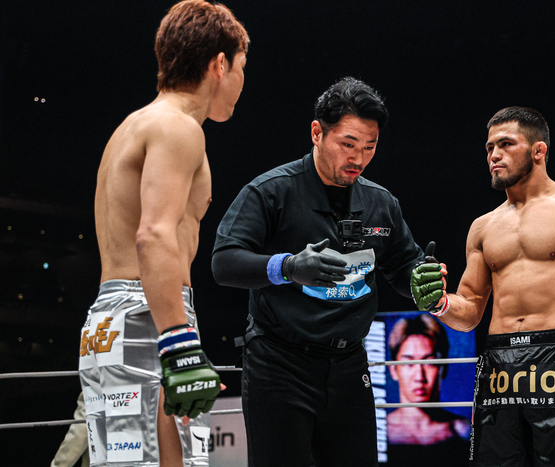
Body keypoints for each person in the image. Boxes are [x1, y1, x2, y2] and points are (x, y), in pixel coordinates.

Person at [211, 76, 426, 467]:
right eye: (348, 144)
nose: (358, 158)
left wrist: (420, 279)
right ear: (317, 133)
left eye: (370, 147)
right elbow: (224, 262)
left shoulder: (381, 203)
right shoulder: (270, 191)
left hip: (350, 367)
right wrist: (288, 267)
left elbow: (403, 267)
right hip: (279, 365)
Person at [410, 107, 555, 466]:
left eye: (506, 144)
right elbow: (470, 309)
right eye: (489, 148)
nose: (494, 155)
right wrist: (439, 302)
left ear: (538, 151)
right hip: (499, 367)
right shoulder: (483, 227)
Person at [77, 2, 249, 466]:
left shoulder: (131, 126)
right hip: (150, 316)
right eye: (241, 66)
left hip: (109, 323)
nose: (242, 81)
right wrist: (177, 340)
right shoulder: (179, 129)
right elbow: (153, 235)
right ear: (219, 64)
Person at [385, 314, 469, 465]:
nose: (419, 376)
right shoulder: (379, 433)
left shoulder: (463, 431)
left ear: (443, 368)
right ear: (393, 370)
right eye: (408, 363)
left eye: (429, 362)